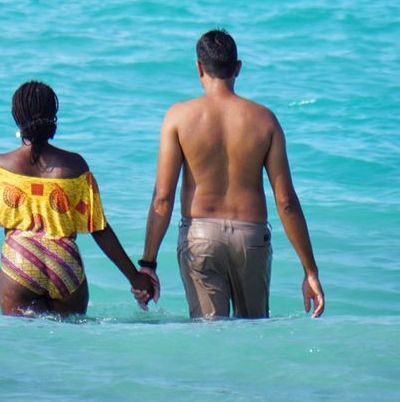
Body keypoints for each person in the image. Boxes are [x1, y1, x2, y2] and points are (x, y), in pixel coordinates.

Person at [138, 29, 324, 320]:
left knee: (209, 340)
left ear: (199, 67)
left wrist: (148, 263)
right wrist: (310, 271)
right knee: (253, 334)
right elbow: (286, 201)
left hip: (200, 238)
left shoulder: (178, 117)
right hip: (251, 239)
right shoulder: (265, 120)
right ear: (237, 67)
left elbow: (163, 199)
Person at [0, 80, 156, 316]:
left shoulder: (0, 168)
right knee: (67, 346)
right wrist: (135, 277)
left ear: (17, 118)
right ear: (53, 116)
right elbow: (99, 229)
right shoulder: (75, 166)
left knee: (19, 347)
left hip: (20, 261)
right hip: (65, 264)